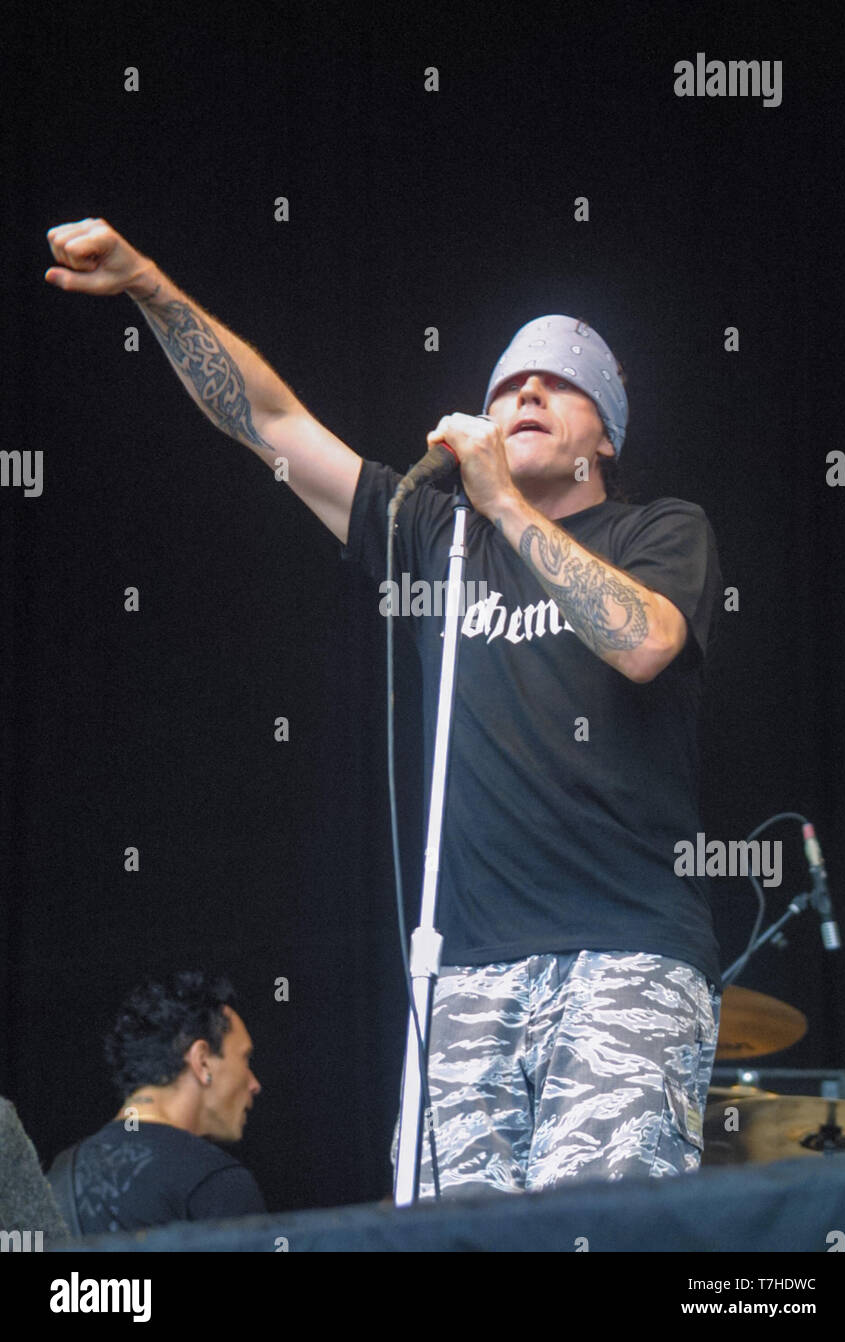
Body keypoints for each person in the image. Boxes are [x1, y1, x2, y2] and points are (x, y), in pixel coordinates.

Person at [44, 220, 722, 1198]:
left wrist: (505, 506)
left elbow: (643, 640)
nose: (522, 391)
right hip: (463, 974)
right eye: (505, 383)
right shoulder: (432, 536)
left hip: (623, 954)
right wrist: (152, 287)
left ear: (605, 434)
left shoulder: (658, 529)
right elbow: (270, 424)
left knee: (605, 1228)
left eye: (556, 381)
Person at [47, 972, 264, 1233]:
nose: (254, 1084)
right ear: (202, 1060)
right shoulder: (216, 1183)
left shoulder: (56, 1179)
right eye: (245, 1059)